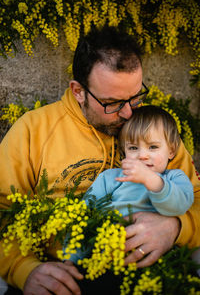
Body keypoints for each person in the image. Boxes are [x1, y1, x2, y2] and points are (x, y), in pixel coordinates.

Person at [0, 24, 199, 295]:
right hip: (65, 274)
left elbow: (195, 197)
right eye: (113, 103)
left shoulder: (152, 129)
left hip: (147, 275)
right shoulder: (33, 130)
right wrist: (24, 269)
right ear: (78, 91)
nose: (129, 114)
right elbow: (2, 211)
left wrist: (176, 227)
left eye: (136, 96)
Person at [65, 105, 194, 264]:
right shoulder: (110, 178)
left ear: (171, 151)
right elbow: (84, 216)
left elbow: (178, 207)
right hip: (108, 257)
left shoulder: (175, 178)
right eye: (133, 148)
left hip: (160, 258)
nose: (142, 156)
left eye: (153, 147)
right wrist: (70, 259)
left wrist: (151, 180)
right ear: (124, 152)